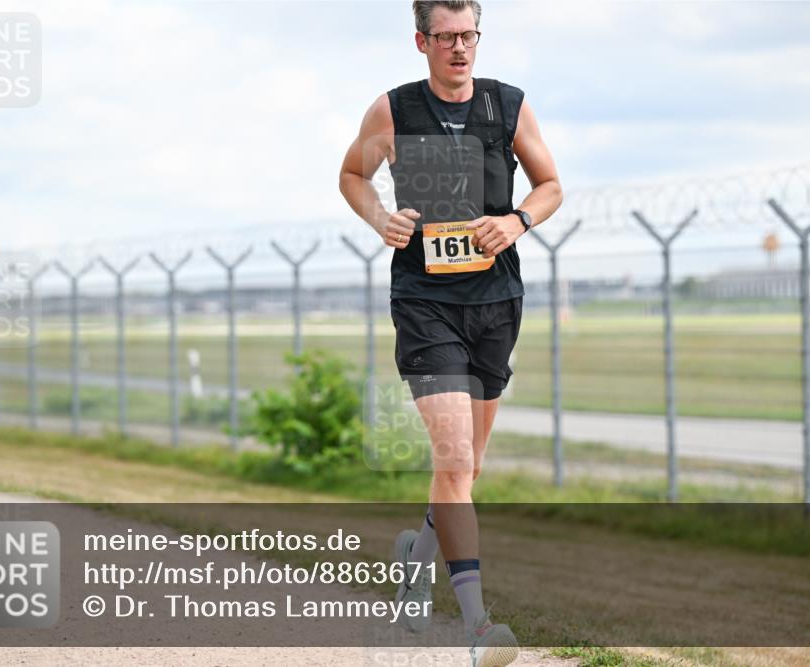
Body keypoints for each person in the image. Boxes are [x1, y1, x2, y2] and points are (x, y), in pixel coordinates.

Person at [338, 2, 562, 665]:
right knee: (457, 460)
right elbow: (352, 174)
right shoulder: (393, 112)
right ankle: (478, 627)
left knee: (462, 468)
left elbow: (551, 184)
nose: (460, 48)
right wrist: (381, 217)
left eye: (469, 35)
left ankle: (415, 564)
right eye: (447, 37)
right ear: (422, 41)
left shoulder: (508, 107)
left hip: (495, 302)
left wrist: (517, 221)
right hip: (424, 301)